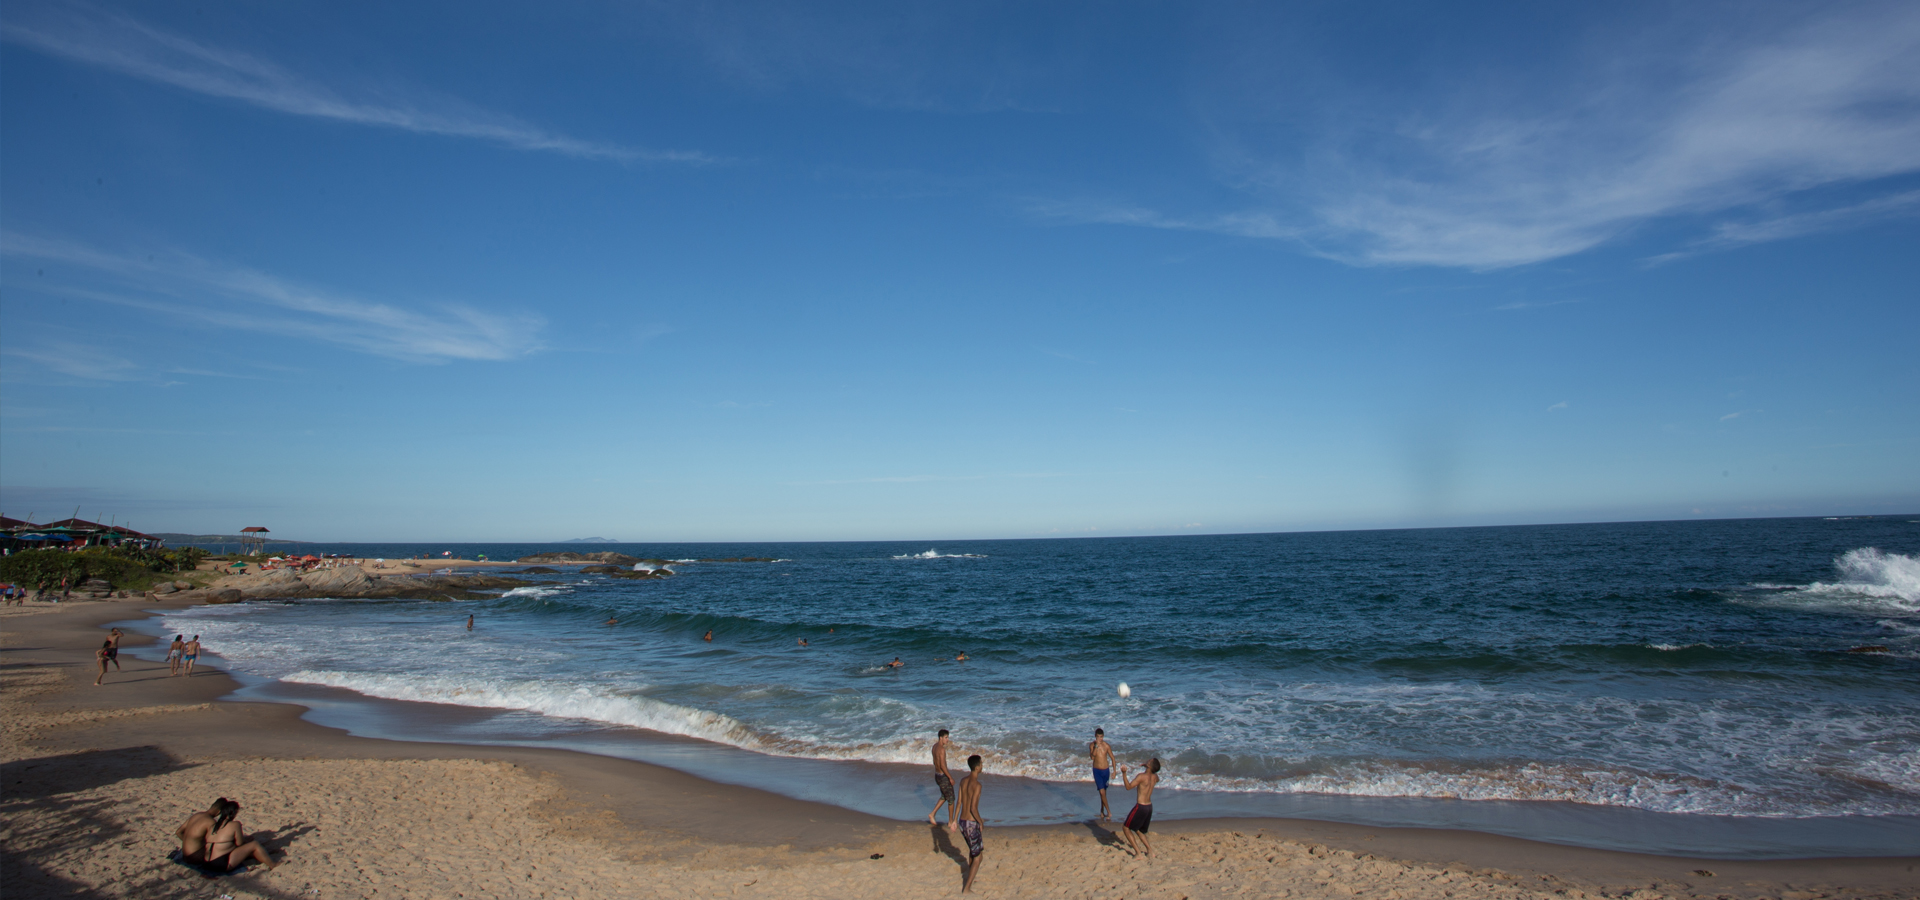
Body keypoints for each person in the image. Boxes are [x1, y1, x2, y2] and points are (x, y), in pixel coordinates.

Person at [189, 798, 279, 872]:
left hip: (206, 863)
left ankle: (264, 853)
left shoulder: (213, 825)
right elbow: (239, 844)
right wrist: (247, 841)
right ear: (234, 812)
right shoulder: (235, 824)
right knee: (254, 844)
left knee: (239, 847)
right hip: (221, 864)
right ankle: (272, 864)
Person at [1117, 757, 1160, 858]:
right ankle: (1150, 851)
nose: (1147, 761)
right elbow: (1153, 776)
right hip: (1149, 806)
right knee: (1139, 830)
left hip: (1141, 807)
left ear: (1149, 766)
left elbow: (1128, 787)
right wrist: (1148, 768)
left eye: (1148, 761)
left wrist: (1124, 773)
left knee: (1126, 828)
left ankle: (1138, 853)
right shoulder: (1155, 777)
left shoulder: (1141, 777)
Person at [957, 754, 986, 892]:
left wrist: (953, 820)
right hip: (970, 823)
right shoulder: (977, 785)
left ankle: (970, 877)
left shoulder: (963, 781)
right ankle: (967, 888)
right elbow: (973, 808)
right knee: (978, 857)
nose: (982, 766)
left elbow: (959, 803)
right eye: (981, 764)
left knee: (973, 852)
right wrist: (981, 822)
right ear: (977, 767)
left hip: (962, 822)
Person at [927, 728, 957, 831]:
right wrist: (950, 777)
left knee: (945, 796)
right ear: (941, 738)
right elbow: (943, 766)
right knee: (951, 799)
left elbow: (935, 763)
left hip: (937, 775)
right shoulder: (942, 750)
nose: (947, 740)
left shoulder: (934, 747)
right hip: (942, 776)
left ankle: (932, 814)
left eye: (948, 737)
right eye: (946, 737)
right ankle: (950, 821)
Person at [1090, 727, 1114, 820]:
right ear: (1095, 737)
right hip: (1097, 771)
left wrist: (1114, 771)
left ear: (1103, 737)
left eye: (1101, 737)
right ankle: (1109, 812)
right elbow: (1092, 757)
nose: (1100, 739)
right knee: (1102, 792)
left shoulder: (1106, 746)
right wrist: (1096, 746)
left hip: (1106, 771)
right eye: (1098, 737)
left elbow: (1112, 758)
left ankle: (1102, 810)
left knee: (1103, 793)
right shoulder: (1092, 745)